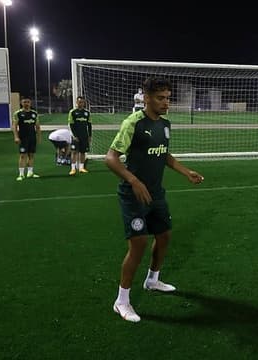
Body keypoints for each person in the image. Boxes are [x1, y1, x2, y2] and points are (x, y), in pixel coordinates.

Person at [105, 77, 205, 322]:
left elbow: (164, 155)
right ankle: (122, 301)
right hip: (134, 195)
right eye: (160, 98)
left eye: (168, 98)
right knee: (138, 244)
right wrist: (134, 181)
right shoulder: (134, 123)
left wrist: (186, 171)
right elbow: (111, 158)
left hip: (156, 194)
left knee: (164, 236)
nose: (166, 102)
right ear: (146, 98)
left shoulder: (166, 125)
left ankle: (152, 280)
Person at [11, 95, 41, 181]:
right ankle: (21, 174)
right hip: (23, 137)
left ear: (30, 103)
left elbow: (38, 126)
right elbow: (14, 126)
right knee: (23, 155)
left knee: (31, 155)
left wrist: (38, 137)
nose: (26, 104)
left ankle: (30, 172)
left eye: (28, 102)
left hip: (32, 137)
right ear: (21, 103)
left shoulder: (34, 113)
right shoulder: (18, 114)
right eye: (24, 102)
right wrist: (16, 137)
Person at [68, 96, 92, 175]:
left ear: (84, 103)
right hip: (76, 136)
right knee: (74, 152)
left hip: (84, 135)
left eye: (82, 102)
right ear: (76, 102)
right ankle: (73, 169)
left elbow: (89, 125)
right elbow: (71, 125)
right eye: (79, 102)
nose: (80, 103)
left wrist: (90, 135)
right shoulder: (73, 112)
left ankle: (81, 168)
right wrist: (74, 136)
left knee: (83, 152)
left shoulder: (87, 113)